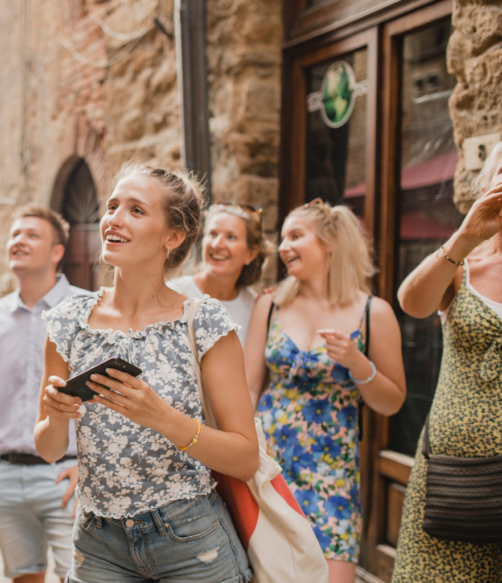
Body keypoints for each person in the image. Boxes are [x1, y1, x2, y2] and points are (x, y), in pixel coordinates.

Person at [35, 164, 258, 583]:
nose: (113, 219)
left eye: (136, 210)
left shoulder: (204, 321)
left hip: (192, 541)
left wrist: (163, 419)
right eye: (113, 206)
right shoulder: (67, 322)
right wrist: (55, 414)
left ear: (172, 237)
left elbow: (245, 458)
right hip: (98, 543)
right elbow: (48, 449)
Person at [243, 199, 407, 583]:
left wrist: (358, 364)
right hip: (271, 469)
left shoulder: (373, 312)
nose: (283, 247)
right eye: (282, 237)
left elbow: (393, 401)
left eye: (295, 236)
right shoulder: (270, 304)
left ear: (330, 243)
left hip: (331, 476)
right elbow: (249, 386)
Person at [391, 143, 502, 581]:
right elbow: (412, 303)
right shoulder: (463, 262)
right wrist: (467, 236)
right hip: (452, 480)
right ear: (483, 183)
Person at [0, 204, 84, 583]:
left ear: (57, 252)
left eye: (32, 235)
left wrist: (89, 467)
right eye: (15, 234)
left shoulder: (89, 310)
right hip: (5, 477)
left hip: (67, 477)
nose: (19, 240)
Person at [168, 201, 271, 346]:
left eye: (231, 237)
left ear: (251, 254)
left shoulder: (254, 307)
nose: (216, 244)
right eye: (212, 234)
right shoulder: (173, 292)